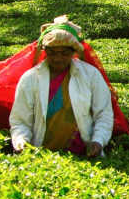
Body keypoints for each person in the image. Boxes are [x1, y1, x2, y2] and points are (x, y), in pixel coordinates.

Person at [10, 16, 114, 157]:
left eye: (64, 53)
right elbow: (20, 120)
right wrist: (21, 142)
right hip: (42, 156)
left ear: (73, 52)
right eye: (52, 53)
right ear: (45, 51)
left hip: (83, 154)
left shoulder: (90, 75)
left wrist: (98, 141)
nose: (58, 58)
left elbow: (103, 113)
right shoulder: (30, 78)